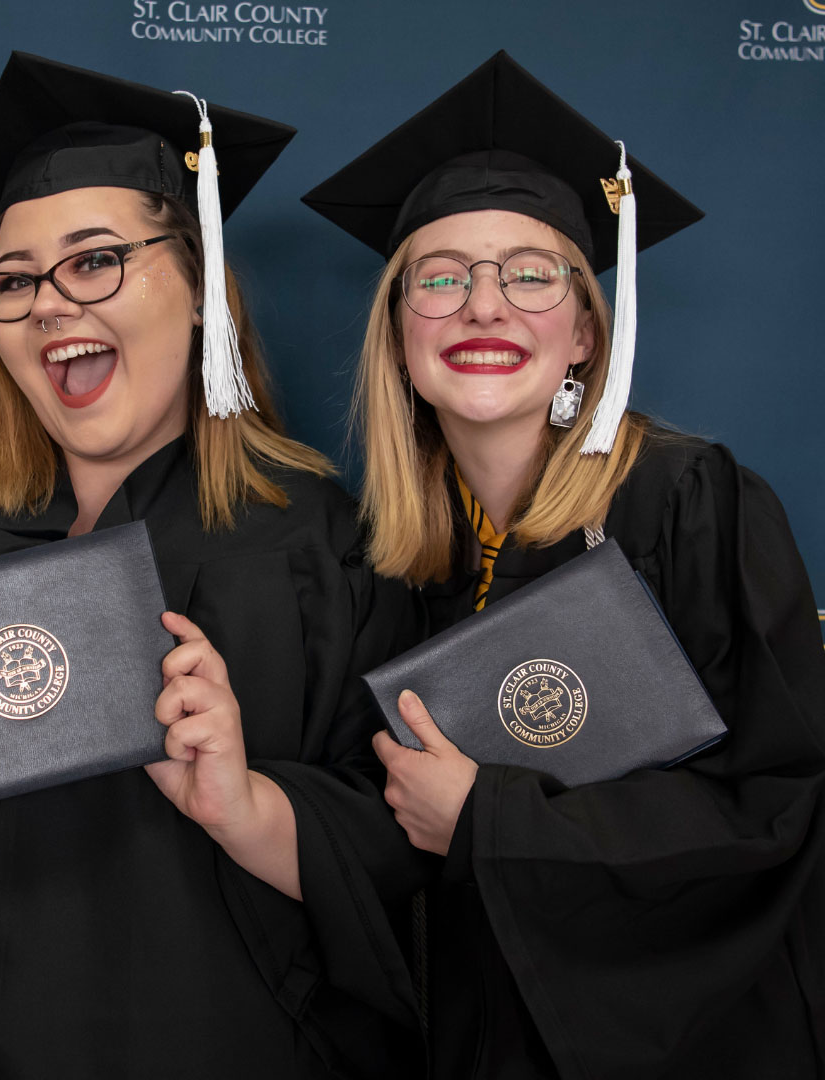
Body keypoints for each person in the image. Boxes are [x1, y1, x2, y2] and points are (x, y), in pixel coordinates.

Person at [0, 53, 423, 1078]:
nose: (51, 304)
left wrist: (245, 806)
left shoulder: (312, 545)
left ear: (198, 288)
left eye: (96, 260)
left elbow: (398, 844)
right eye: (13, 281)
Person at [303, 51, 825, 1079]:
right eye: (440, 278)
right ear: (398, 332)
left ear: (586, 329)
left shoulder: (689, 504)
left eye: (529, 275)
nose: (483, 307)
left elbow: (783, 803)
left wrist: (489, 821)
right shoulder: (386, 564)